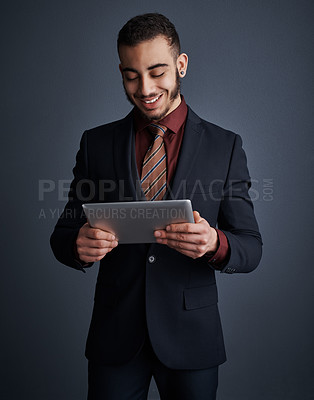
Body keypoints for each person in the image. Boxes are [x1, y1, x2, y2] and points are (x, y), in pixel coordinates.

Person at [50, 13, 262, 400]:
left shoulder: (225, 146)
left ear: (181, 65)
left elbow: (251, 247)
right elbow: (63, 234)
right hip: (115, 336)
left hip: (192, 338)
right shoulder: (96, 144)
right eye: (131, 75)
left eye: (157, 71)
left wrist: (215, 243)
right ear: (120, 71)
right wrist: (77, 246)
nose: (145, 88)